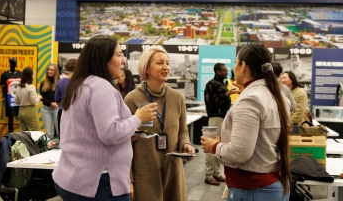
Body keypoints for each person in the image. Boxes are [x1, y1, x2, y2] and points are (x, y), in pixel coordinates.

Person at [52, 35, 157, 200]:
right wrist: (138, 118)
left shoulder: (80, 84)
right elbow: (110, 134)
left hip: (74, 178)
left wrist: (128, 132)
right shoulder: (101, 87)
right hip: (100, 183)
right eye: (118, 54)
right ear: (103, 59)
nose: (123, 60)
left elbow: (89, 130)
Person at [201, 44, 291, 201]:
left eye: (236, 62)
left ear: (243, 66)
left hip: (254, 190)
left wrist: (214, 146)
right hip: (272, 184)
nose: (233, 68)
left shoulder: (251, 100)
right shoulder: (276, 95)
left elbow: (239, 152)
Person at [124, 45, 194, 201]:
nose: (166, 67)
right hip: (144, 172)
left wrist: (185, 145)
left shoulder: (177, 98)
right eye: (160, 63)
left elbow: (182, 131)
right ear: (147, 68)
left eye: (167, 63)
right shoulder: (132, 99)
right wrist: (129, 179)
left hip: (173, 171)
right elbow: (124, 142)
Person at [204, 63, 237, 186]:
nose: (226, 72)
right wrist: (228, 94)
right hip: (215, 118)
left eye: (226, 70)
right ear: (217, 71)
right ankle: (208, 175)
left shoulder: (222, 84)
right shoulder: (211, 84)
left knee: (219, 146)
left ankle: (216, 173)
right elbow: (213, 102)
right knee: (210, 146)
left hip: (223, 118)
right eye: (223, 70)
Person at [55, 58, 78, 137]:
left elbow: (57, 98)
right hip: (74, 112)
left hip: (62, 111)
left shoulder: (61, 81)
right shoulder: (79, 82)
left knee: (62, 136)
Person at [14, 67, 42, 131]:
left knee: (24, 133)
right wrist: (38, 97)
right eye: (34, 73)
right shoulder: (31, 87)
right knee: (35, 132)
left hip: (21, 112)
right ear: (31, 75)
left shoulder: (18, 87)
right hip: (30, 111)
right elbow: (34, 102)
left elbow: (17, 101)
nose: (34, 75)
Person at [0, 57, 22, 132]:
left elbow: (24, 86)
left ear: (16, 64)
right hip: (10, 98)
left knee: (22, 117)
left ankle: (23, 136)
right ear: (10, 63)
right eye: (12, 62)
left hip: (19, 98)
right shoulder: (5, 75)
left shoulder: (20, 74)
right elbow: (3, 87)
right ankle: (11, 135)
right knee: (10, 120)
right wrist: (4, 98)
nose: (13, 64)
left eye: (14, 62)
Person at [40, 64, 60, 139]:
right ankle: (49, 148)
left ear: (55, 71)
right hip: (46, 108)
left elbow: (62, 95)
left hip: (57, 108)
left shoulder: (59, 82)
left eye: (52, 70)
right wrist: (50, 103)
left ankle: (60, 148)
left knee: (59, 130)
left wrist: (57, 104)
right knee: (48, 132)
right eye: (48, 69)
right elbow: (41, 97)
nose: (49, 71)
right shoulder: (43, 83)